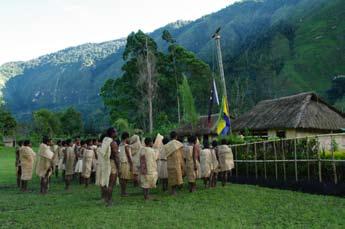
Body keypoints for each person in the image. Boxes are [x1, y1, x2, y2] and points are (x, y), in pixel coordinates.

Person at [99, 128, 120, 206]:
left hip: (106, 164)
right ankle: (109, 201)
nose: (117, 133)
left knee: (106, 183)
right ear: (112, 133)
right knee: (111, 184)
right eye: (116, 132)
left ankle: (107, 199)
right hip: (112, 164)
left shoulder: (105, 141)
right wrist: (119, 167)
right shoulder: (113, 143)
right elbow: (116, 156)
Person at [119, 132, 133, 197]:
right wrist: (131, 164)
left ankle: (122, 191)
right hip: (126, 163)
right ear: (127, 137)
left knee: (122, 178)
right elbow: (128, 156)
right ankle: (123, 192)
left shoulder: (120, 145)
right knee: (125, 178)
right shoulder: (125, 146)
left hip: (121, 163)